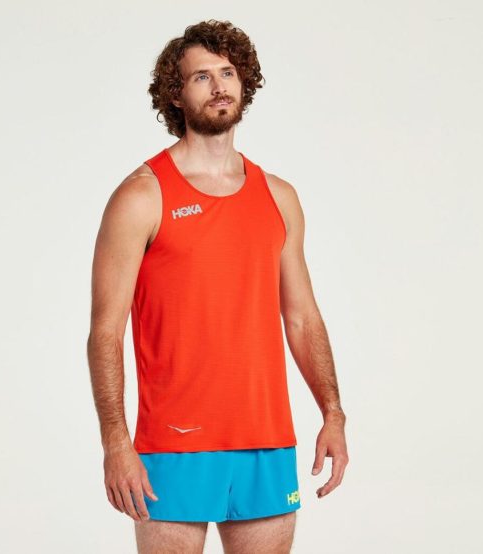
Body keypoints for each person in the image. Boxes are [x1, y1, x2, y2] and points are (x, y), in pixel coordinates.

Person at [87, 19, 349, 554]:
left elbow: (302, 317)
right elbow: (105, 331)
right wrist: (115, 441)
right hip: (172, 445)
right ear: (176, 94)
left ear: (244, 81)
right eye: (201, 77)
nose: (219, 86)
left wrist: (333, 412)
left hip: (266, 441)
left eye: (227, 73)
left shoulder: (278, 196)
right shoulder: (142, 196)